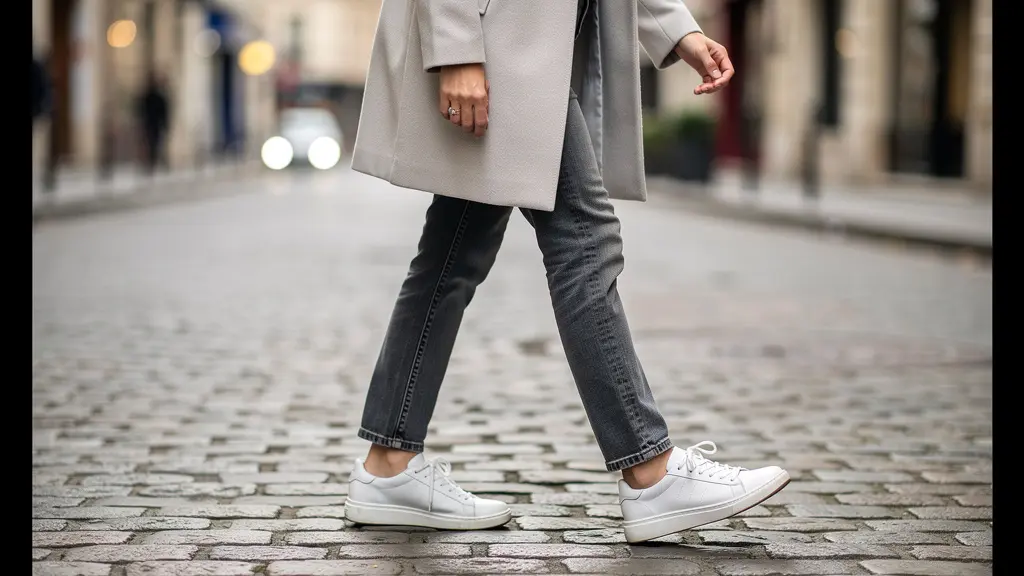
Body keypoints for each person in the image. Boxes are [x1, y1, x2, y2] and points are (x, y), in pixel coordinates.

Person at [345, 0, 790, 543]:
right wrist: (457, 44)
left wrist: (676, 30)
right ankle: (649, 471)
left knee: (454, 253)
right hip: (501, 39)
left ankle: (387, 463)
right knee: (585, 238)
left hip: (522, 47)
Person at [137, 72, 170, 173]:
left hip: (153, 124)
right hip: (150, 123)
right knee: (152, 143)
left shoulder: (156, 96)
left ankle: (155, 161)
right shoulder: (148, 96)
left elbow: (163, 111)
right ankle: (152, 162)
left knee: (155, 143)